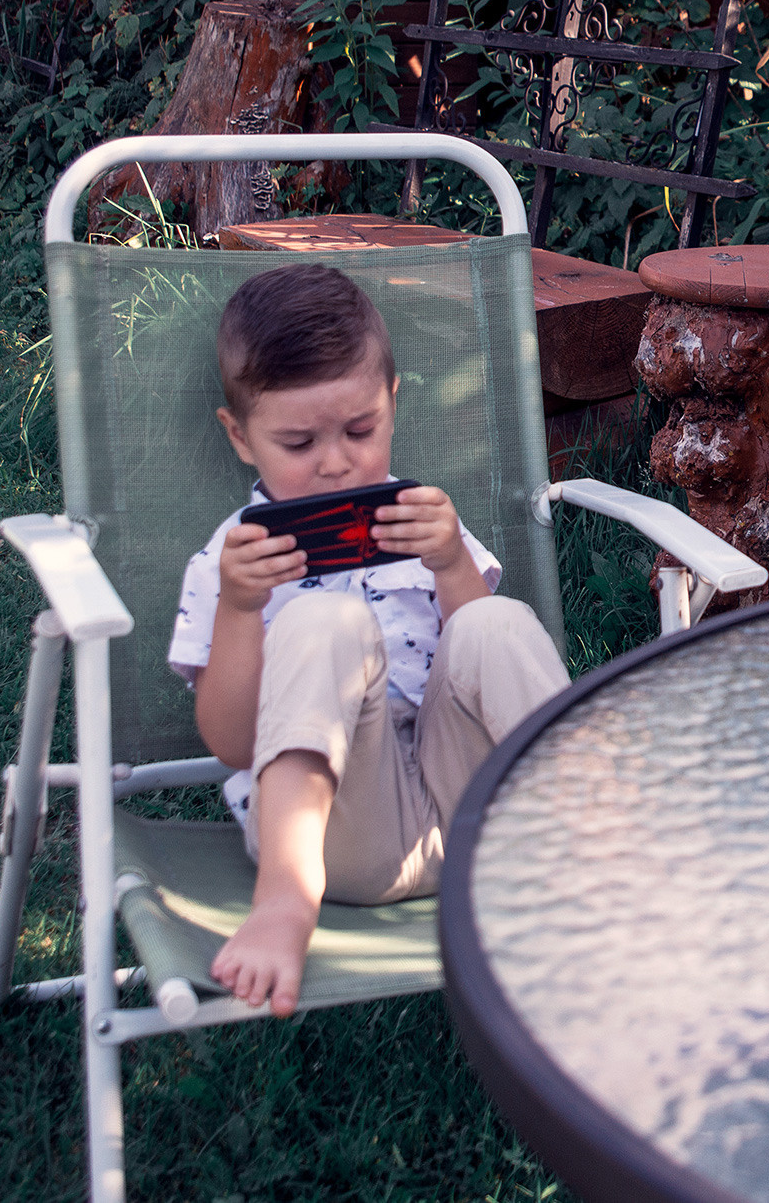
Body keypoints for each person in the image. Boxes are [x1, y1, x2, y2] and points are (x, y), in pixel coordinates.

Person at [168, 264, 569, 1016]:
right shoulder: (230, 564)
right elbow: (231, 743)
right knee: (323, 621)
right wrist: (241, 609)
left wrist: (450, 563)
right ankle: (284, 901)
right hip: (338, 837)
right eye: (297, 442)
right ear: (241, 437)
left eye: (361, 430)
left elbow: (476, 669)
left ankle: (603, 840)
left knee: (495, 621)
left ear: (392, 403)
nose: (335, 462)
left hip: (476, 816)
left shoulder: (424, 524)